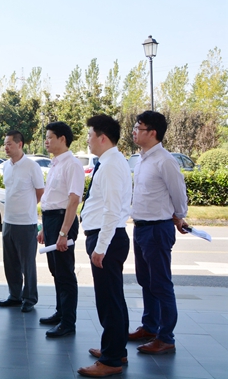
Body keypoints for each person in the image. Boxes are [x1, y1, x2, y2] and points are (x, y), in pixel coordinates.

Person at [128, 110, 188, 355]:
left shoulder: (165, 160)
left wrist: (179, 215)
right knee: (146, 281)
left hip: (157, 229)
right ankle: (150, 326)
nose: (134, 132)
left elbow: (178, 192)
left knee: (161, 284)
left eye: (138, 128)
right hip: (141, 228)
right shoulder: (142, 159)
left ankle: (166, 337)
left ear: (152, 132)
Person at [77, 115, 132, 377]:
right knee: (114, 298)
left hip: (106, 238)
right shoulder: (112, 161)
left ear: (102, 137)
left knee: (109, 301)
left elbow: (112, 210)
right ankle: (116, 349)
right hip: (107, 236)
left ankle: (111, 360)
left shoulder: (110, 165)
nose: (87, 140)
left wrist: (100, 247)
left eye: (90, 135)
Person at [37, 121, 84, 337]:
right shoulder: (55, 163)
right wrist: (44, 229)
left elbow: (73, 200)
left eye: (50, 137)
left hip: (62, 221)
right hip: (51, 221)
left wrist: (63, 233)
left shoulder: (72, 164)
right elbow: (51, 198)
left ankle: (68, 322)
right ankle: (60, 312)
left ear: (62, 139)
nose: (46, 141)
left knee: (65, 273)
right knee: (55, 270)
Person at [0, 130, 44, 313]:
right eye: (5, 144)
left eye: (9, 144)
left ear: (20, 144)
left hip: (26, 223)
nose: (6, 147)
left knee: (27, 265)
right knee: (10, 263)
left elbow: (40, 193)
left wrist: (28, 207)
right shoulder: (6, 166)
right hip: (8, 221)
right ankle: (15, 295)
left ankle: (30, 298)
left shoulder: (32, 166)